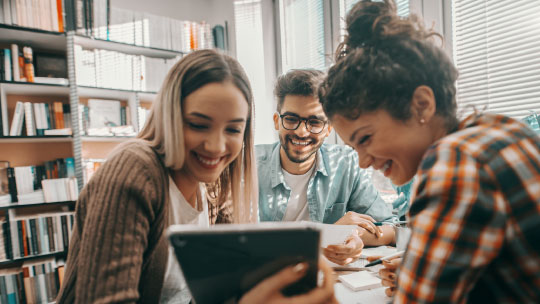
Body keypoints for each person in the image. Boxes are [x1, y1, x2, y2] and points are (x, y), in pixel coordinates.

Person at [56, 50, 336, 304]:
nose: (216, 146)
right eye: (198, 125)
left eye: (233, 130)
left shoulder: (214, 183)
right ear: (170, 118)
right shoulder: (136, 169)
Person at [319, 0, 540, 302]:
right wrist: (422, 269)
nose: (363, 160)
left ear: (421, 104)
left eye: (366, 138)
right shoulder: (502, 130)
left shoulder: (457, 161)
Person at [257, 69, 396, 265]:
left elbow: (389, 228)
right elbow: (244, 244)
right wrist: (328, 235)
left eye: (314, 122)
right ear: (276, 122)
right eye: (291, 119)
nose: (302, 131)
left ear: (328, 128)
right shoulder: (248, 167)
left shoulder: (346, 163)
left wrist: (354, 236)